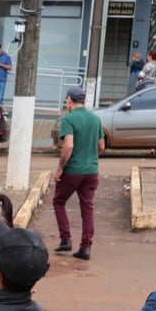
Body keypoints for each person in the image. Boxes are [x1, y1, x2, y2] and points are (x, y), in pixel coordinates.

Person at [53, 86, 105, 261]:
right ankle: (85, 247)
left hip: (72, 171)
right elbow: (102, 146)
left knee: (59, 201)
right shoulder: (96, 119)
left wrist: (60, 167)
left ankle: (66, 238)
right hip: (91, 171)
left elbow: (68, 145)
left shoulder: (69, 119)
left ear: (69, 100)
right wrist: (90, 158)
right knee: (87, 208)